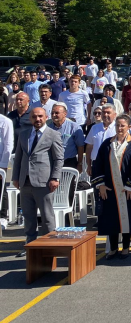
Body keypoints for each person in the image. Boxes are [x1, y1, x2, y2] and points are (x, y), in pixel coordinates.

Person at [12, 107, 64, 255]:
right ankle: (30, 245)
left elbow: (59, 158)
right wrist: (15, 177)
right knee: (28, 216)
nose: (38, 119)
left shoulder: (53, 135)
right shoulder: (23, 134)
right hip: (25, 181)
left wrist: (55, 177)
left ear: (46, 117)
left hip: (44, 181)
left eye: (40, 116)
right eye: (34, 117)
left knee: (47, 217)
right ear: (30, 119)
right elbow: (19, 158)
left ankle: (51, 246)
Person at [92, 114, 131, 260]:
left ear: (128, 127)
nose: (119, 128)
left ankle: (126, 247)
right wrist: (100, 185)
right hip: (109, 188)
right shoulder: (107, 144)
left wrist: (130, 187)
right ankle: (113, 248)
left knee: (127, 217)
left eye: (122, 125)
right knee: (110, 218)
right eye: (117, 125)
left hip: (127, 189)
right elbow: (98, 165)